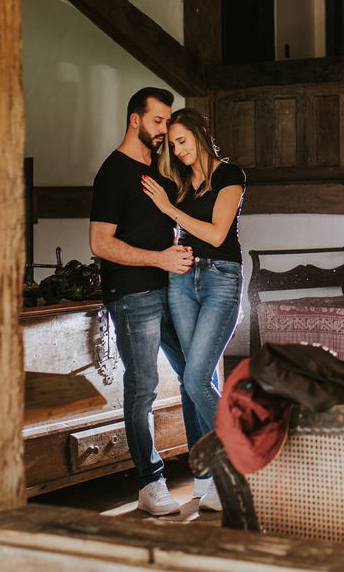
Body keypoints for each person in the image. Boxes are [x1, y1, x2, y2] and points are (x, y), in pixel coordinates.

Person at [89, 87, 202, 516]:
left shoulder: (161, 167)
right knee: (143, 389)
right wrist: (159, 258)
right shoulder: (112, 173)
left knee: (197, 375)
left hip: (174, 288)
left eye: (167, 122)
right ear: (135, 119)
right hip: (133, 294)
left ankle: (207, 473)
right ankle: (149, 484)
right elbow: (100, 243)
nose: (163, 130)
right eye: (157, 121)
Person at [142, 108, 245, 512]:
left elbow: (217, 234)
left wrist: (171, 210)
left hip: (221, 279)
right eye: (173, 145)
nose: (179, 151)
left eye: (183, 141)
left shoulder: (230, 175)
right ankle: (206, 478)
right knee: (192, 380)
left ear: (202, 133)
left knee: (197, 377)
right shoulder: (180, 181)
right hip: (182, 280)